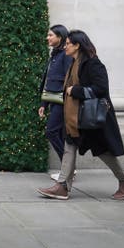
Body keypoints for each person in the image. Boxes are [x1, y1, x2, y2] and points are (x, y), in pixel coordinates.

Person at [37, 30, 124, 200]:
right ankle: (62, 186)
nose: (66, 46)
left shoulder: (93, 64)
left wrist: (75, 90)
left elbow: (101, 88)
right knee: (69, 146)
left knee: (104, 152)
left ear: (77, 45)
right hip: (76, 118)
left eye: (68, 43)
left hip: (91, 117)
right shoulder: (73, 63)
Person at [37, 24, 73, 180]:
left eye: (51, 35)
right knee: (58, 133)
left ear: (60, 37)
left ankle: (68, 169)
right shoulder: (55, 54)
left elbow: (68, 78)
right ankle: (68, 169)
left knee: (52, 132)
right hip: (53, 100)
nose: (48, 38)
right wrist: (43, 104)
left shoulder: (65, 55)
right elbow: (48, 80)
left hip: (62, 101)